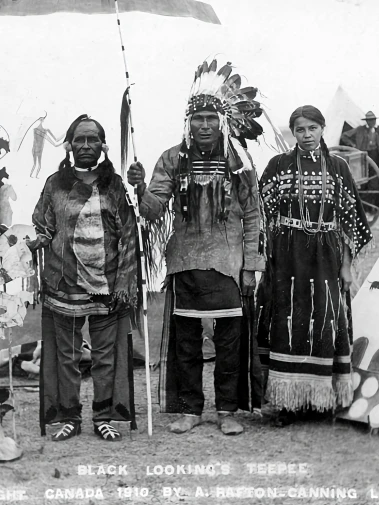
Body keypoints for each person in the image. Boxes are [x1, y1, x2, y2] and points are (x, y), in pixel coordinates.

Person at [127, 60, 266, 436]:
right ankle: (188, 409)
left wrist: (251, 266)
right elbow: (153, 209)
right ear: (188, 122)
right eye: (197, 118)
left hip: (228, 263)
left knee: (229, 341)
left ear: (221, 121)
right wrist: (140, 188)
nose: (203, 125)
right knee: (186, 340)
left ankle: (227, 410)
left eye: (210, 118)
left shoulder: (239, 163)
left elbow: (253, 216)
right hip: (185, 260)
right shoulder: (173, 159)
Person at [259, 105, 372, 426]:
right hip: (287, 256)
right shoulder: (278, 165)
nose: (307, 135)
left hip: (327, 257)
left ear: (323, 128)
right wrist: (265, 258)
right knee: (288, 320)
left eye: (312, 128)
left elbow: (351, 222)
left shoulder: (338, 167)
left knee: (325, 319)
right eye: (300, 130)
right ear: (292, 132)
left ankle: (322, 399)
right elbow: (260, 214)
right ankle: (286, 402)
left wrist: (347, 266)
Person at [31, 115, 138, 442]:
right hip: (64, 285)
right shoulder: (55, 184)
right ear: (69, 145)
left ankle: (104, 417)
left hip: (106, 286)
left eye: (93, 139)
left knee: (106, 357)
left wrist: (125, 279)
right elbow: (44, 226)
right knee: (68, 356)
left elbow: (128, 233)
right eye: (80, 139)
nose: (87, 145)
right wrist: (32, 243)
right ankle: (69, 417)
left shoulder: (115, 184)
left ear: (103, 145)